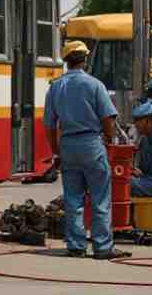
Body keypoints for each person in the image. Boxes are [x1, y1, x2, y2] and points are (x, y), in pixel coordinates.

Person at [43, 40, 131, 260]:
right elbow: (107, 118)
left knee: (73, 198)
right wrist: (109, 140)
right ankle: (102, 247)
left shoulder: (55, 87)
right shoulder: (95, 85)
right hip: (91, 143)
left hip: (68, 145)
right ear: (85, 59)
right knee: (100, 197)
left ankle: (75, 245)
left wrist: (56, 152)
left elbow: (49, 125)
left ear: (66, 61)